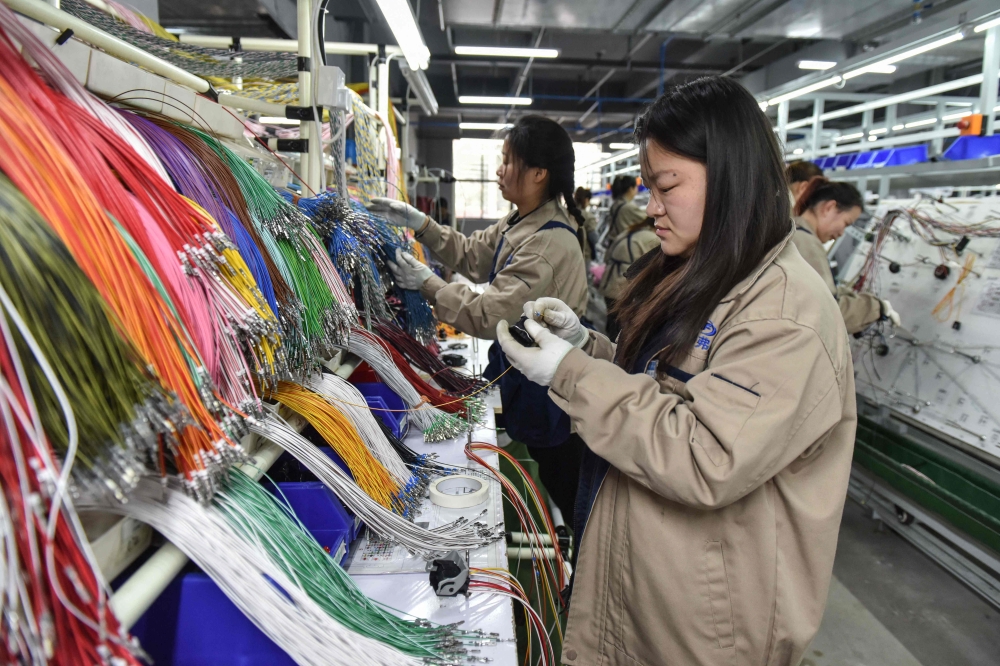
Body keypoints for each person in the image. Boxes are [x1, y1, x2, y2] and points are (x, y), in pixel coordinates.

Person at [496, 77, 857, 666]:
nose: (653, 207)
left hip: (702, 633)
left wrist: (570, 374)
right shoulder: (713, 277)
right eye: (649, 185)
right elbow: (672, 393)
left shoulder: (787, 315)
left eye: (667, 186)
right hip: (648, 596)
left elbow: (703, 453)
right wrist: (585, 348)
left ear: (733, 180)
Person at [367, 115, 589, 527]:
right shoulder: (523, 221)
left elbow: (491, 315)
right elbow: (474, 254)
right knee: (554, 468)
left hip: (552, 390)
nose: (501, 170)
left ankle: (581, 568)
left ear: (539, 173)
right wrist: (423, 225)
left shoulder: (546, 243)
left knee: (569, 483)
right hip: (531, 375)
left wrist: (429, 284)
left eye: (509, 161)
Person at [793, 177, 900, 334]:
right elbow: (829, 312)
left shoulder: (792, 231)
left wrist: (847, 294)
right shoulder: (806, 243)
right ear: (829, 208)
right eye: (846, 223)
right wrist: (877, 308)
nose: (842, 233)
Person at [598, 215, 657, 341]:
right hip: (624, 288)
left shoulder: (629, 231)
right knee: (623, 328)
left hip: (610, 283)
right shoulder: (653, 239)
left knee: (612, 321)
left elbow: (606, 258)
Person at [603, 174, 645, 246]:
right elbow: (648, 220)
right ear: (630, 189)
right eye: (636, 187)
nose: (637, 190)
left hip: (614, 246)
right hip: (623, 247)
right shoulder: (628, 207)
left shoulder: (615, 204)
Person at [574, 186, 599, 260]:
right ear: (586, 200)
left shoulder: (568, 214)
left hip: (570, 253)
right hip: (584, 254)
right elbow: (594, 238)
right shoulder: (588, 216)